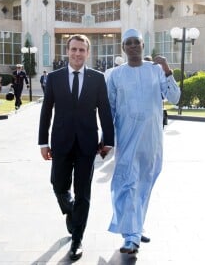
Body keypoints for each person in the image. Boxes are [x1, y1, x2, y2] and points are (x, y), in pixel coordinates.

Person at [38, 34, 114, 261]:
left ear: (88, 53)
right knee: (58, 184)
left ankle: (77, 239)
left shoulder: (97, 78)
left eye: (82, 50)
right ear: (67, 51)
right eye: (74, 49)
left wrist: (108, 140)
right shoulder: (54, 78)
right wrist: (43, 142)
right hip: (60, 142)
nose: (77, 54)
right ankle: (72, 212)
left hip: (87, 144)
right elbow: (46, 111)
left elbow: (105, 110)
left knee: (83, 192)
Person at [106, 29, 180, 254]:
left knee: (144, 185)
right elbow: (109, 108)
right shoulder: (116, 75)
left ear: (142, 45)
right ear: (123, 48)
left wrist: (167, 70)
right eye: (128, 43)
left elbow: (175, 98)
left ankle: (135, 228)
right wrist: (106, 140)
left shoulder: (156, 70)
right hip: (127, 139)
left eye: (136, 42)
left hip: (151, 141)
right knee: (126, 184)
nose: (132, 46)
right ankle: (131, 235)